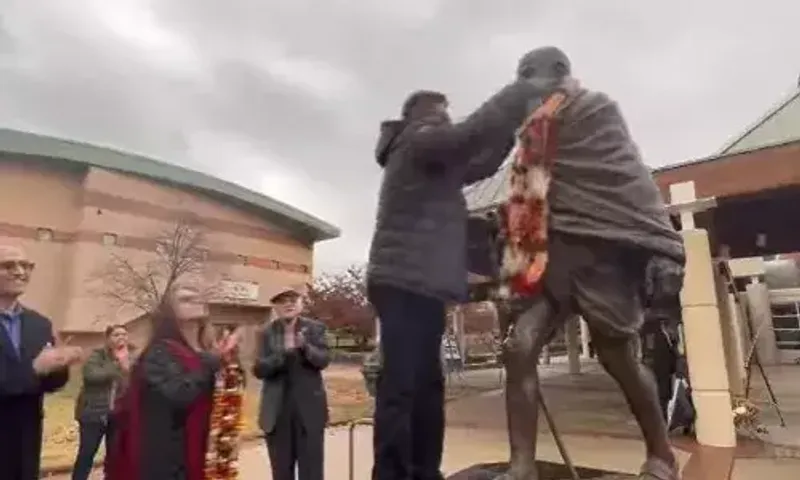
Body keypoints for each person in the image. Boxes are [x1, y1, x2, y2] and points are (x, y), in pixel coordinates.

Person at [493, 46, 685, 480]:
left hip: (599, 257)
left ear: (558, 73)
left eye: (528, 73)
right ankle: (521, 465)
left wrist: (665, 249)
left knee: (618, 357)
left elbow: (630, 180)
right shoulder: (530, 130)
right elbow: (524, 196)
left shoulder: (597, 110)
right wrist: (512, 257)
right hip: (546, 257)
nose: (521, 83)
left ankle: (662, 456)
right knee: (518, 349)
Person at [367, 78, 551, 480]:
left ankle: (424, 471)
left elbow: (479, 164)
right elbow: (467, 138)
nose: (448, 120)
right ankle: (392, 474)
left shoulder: (434, 161)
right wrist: (518, 92)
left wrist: (513, 127)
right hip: (401, 279)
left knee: (428, 388)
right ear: (426, 114)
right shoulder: (417, 139)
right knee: (400, 387)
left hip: (423, 284)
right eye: (443, 114)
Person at [106, 284, 240, 480]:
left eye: (198, 296)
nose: (195, 300)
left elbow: (224, 393)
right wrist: (215, 361)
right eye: (185, 299)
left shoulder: (204, 349)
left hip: (205, 448)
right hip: (170, 457)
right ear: (170, 311)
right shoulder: (159, 352)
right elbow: (181, 393)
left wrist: (229, 363)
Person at [0, 244, 84, 480]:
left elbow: (49, 383)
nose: (20, 272)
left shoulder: (40, 324)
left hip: (26, 441)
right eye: (8, 266)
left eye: (26, 266)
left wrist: (60, 364)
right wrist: (35, 368)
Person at [253, 287, 330, 480]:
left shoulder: (315, 328)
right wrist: (282, 355)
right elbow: (259, 369)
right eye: (283, 300)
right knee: (281, 473)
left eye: (293, 299)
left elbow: (324, 360)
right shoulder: (265, 332)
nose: (289, 303)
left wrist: (305, 348)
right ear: (275, 307)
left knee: (312, 473)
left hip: (309, 413)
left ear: (301, 303)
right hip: (277, 414)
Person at [72, 324, 135, 480]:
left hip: (117, 415)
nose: (121, 338)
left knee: (115, 456)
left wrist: (127, 367)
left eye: (124, 334)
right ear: (107, 339)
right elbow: (92, 375)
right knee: (87, 453)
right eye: (116, 335)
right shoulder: (97, 355)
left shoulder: (131, 357)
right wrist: (117, 364)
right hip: (93, 414)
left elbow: (134, 383)